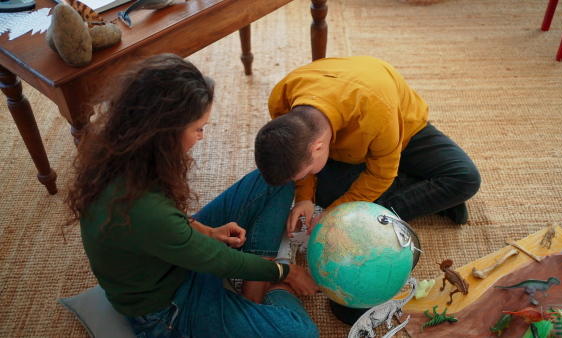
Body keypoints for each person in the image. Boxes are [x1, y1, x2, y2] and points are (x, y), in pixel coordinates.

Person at [65, 54, 319, 338]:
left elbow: (170, 224)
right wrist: (285, 274)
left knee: (277, 179)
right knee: (302, 334)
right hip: (169, 308)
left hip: (174, 255)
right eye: (198, 128)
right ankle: (271, 291)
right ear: (165, 133)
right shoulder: (143, 209)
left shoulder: (129, 158)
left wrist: (207, 231)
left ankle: (251, 296)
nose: (201, 137)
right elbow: (220, 261)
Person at [255, 56, 481, 236]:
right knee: (323, 192)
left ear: (318, 147)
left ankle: (421, 198)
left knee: (466, 178)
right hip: (347, 146)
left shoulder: (377, 113)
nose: (301, 179)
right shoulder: (282, 97)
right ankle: (432, 198)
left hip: (401, 131)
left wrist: (336, 213)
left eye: (304, 174)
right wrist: (305, 197)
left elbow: (382, 175)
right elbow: (294, 150)